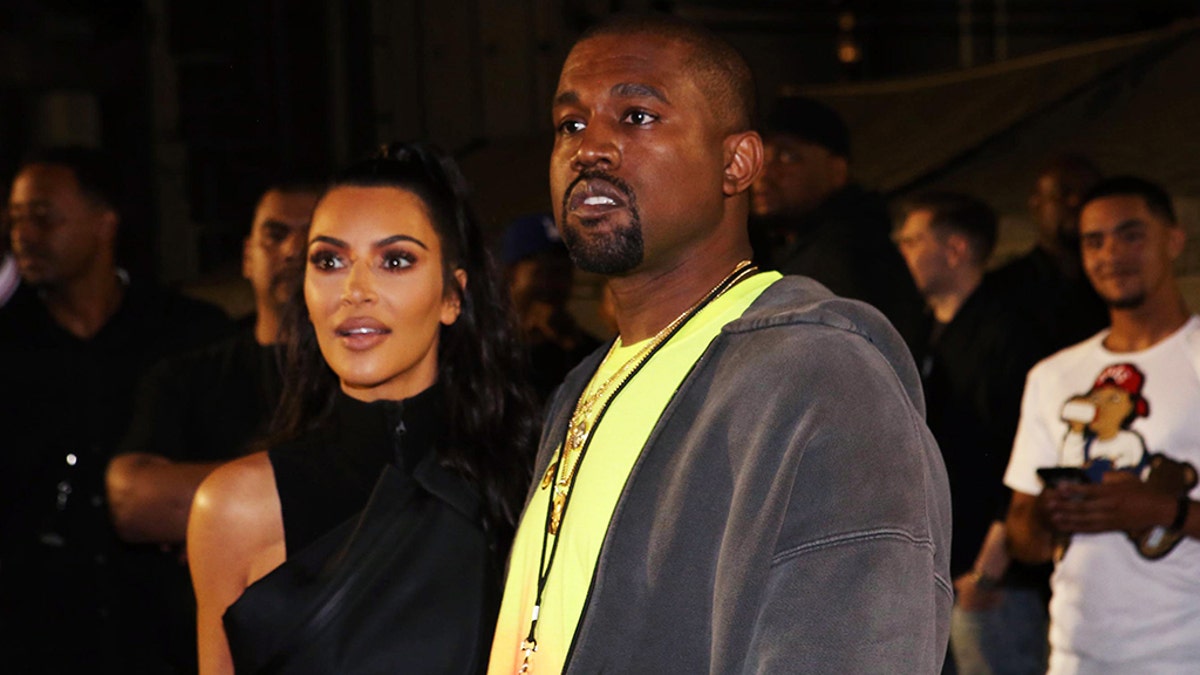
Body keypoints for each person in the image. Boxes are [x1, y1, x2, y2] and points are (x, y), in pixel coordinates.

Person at [489, 14, 951, 674]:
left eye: (637, 117)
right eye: (570, 123)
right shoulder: (583, 384)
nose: (588, 147)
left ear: (736, 163)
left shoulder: (821, 377)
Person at [187, 142, 539, 675]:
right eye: (329, 260)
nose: (354, 290)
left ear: (453, 296)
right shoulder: (234, 509)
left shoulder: (528, 482)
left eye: (395, 260)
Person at [0, 146, 231, 673]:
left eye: (43, 216)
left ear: (105, 222)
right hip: (35, 635)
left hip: (165, 631)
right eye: (14, 219)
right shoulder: (9, 344)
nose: (23, 235)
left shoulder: (187, 334)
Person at [102, 181, 321, 672]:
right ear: (247, 256)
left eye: (313, 236)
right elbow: (133, 500)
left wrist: (210, 522)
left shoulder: (363, 378)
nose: (294, 248)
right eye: (275, 233)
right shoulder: (189, 375)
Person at [1004, 175, 1200, 673]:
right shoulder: (1052, 377)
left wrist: (1159, 509)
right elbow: (1023, 540)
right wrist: (1052, 513)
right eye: (1094, 241)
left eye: (1131, 234)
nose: (1111, 253)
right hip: (1076, 656)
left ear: (1174, 240)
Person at [896, 192, 1050, 674]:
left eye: (913, 239)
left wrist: (988, 568)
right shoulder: (922, 330)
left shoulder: (1009, 336)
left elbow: (1026, 455)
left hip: (989, 583)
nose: (901, 249)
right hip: (936, 572)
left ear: (955, 249)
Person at [750, 94, 927, 356]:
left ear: (837, 170)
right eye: (759, 157)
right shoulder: (796, 247)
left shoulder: (845, 256)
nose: (765, 172)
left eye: (788, 156)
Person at [990, 153, 1109, 353]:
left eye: (1088, 195)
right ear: (1037, 206)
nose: (1075, 202)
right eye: (1063, 193)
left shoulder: (1113, 282)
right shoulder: (1001, 291)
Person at [500, 211, 600, 403]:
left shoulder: (588, 353)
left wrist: (572, 348)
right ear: (510, 276)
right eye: (541, 272)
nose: (551, 285)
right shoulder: (481, 347)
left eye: (562, 273)